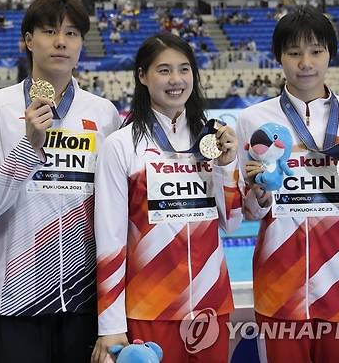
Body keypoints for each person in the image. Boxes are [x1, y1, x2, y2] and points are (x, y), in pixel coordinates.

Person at [0, 0, 121, 363]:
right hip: (15, 299)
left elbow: (116, 208)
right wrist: (29, 148)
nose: (61, 41)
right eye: (49, 31)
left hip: (86, 300)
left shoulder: (105, 114)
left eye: (72, 33)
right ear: (28, 40)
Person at [236, 6, 339, 362]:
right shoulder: (253, 119)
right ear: (279, 57)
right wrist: (259, 193)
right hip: (278, 288)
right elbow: (246, 210)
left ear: (330, 54)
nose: (305, 62)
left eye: (315, 51)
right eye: (294, 53)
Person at [92, 33, 242, 363]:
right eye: (164, 70)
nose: (176, 80)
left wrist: (228, 166)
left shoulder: (213, 139)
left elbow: (232, 221)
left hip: (211, 305)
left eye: (184, 69)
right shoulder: (122, 145)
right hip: (150, 308)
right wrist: (111, 324)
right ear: (143, 76)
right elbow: (110, 239)